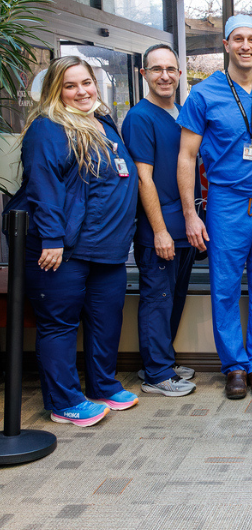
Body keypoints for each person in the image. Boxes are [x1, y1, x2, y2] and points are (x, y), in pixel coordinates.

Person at [5, 56, 139, 426]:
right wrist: (52, 239)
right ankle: (64, 402)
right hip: (64, 248)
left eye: (86, 83)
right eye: (70, 85)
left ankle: (102, 386)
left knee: (105, 320)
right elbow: (42, 187)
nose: (81, 91)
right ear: (55, 91)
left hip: (107, 247)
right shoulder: (48, 129)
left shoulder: (102, 121)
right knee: (59, 324)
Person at [176, 15, 252, 399]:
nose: (245, 46)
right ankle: (234, 366)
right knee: (224, 288)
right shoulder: (203, 94)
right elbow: (187, 157)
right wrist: (192, 213)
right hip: (226, 203)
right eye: (237, 39)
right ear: (225, 45)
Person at [122, 44, 197, 398]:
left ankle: (161, 360)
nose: (165, 76)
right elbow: (143, 178)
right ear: (144, 74)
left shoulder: (180, 113)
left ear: (180, 74)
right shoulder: (140, 117)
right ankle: (156, 373)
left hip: (184, 228)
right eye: (156, 69)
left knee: (175, 296)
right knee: (158, 297)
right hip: (160, 229)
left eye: (171, 69)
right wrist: (160, 231)